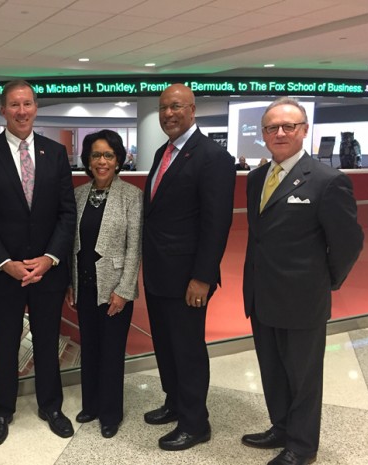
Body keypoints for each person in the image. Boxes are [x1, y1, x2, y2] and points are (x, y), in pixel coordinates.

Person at [241, 97, 363, 465]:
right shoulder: (256, 178)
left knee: (303, 377)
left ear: (304, 130)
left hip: (303, 298)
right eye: (271, 127)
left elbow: (348, 242)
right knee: (273, 370)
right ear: (263, 133)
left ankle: (302, 446)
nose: (279, 133)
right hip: (262, 294)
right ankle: (281, 427)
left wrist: (325, 282)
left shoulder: (328, 181)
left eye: (288, 126)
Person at [0, 79, 76, 446]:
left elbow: (66, 213)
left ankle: (51, 406)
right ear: (3, 110)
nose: (21, 111)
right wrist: (4, 262)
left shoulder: (55, 153)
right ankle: (2, 410)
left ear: (36, 108)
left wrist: (49, 258)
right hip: (3, 273)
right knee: (3, 344)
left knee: (48, 341)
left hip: (47, 271)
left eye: (27, 104)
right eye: (14, 105)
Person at [142, 84, 236, 451]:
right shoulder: (163, 152)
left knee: (187, 348)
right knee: (165, 344)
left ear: (192, 110)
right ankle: (175, 402)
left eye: (176, 106)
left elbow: (216, 223)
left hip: (188, 278)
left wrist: (202, 277)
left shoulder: (213, 157)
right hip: (159, 272)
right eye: (163, 107)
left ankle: (195, 423)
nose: (168, 113)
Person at [65, 130, 143, 439]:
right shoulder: (78, 194)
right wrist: (71, 283)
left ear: (118, 160)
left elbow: (134, 248)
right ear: (87, 160)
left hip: (114, 288)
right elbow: (72, 244)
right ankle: (92, 405)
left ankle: (111, 413)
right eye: (96, 155)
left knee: (111, 353)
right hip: (84, 284)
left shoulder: (131, 196)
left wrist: (124, 290)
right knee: (90, 347)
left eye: (108, 155)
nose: (102, 161)